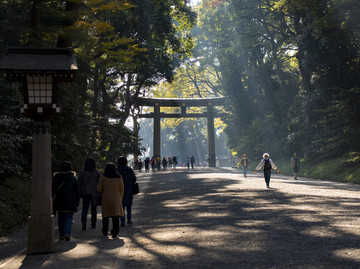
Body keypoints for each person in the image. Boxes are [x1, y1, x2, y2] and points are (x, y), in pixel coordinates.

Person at [52, 161, 80, 241]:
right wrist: (77, 201)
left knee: (60, 217)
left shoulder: (56, 177)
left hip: (59, 200)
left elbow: (53, 189)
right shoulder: (73, 177)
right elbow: (77, 191)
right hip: (70, 200)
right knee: (68, 217)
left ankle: (61, 234)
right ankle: (67, 233)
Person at [97, 163, 124, 238]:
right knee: (116, 216)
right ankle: (115, 232)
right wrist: (120, 197)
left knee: (106, 215)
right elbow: (122, 188)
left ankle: (105, 231)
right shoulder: (119, 177)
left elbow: (99, 189)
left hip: (106, 197)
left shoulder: (103, 177)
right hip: (116, 196)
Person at [78, 157, 100, 231]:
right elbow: (99, 183)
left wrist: (80, 192)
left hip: (85, 192)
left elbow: (79, 183)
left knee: (85, 209)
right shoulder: (97, 172)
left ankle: (83, 222)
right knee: (94, 209)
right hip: (94, 193)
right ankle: (93, 223)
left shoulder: (82, 172)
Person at [117, 156, 137, 226]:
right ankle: (129, 219)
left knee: (121, 206)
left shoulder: (116, 171)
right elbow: (134, 179)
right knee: (129, 205)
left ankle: (122, 221)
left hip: (119, 190)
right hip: (129, 189)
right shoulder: (129, 169)